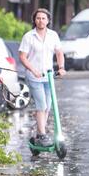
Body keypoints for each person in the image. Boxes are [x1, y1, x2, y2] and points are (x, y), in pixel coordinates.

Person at [19, 8, 66, 146]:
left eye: (43, 18)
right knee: (42, 105)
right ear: (34, 20)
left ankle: (39, 134)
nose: (41, 20)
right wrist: (33, 70)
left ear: (48, 20)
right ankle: (43, 135)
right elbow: (22, 57)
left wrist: (61, 67)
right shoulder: (29, 36)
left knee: (47, 107)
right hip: (34, 77)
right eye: (38, 18)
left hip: (49, 77)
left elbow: (59, 52)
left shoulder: (53, 35)